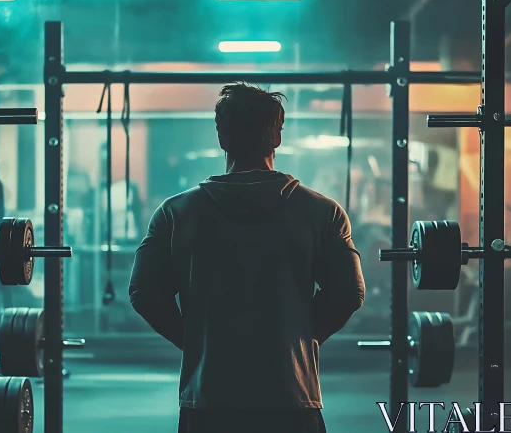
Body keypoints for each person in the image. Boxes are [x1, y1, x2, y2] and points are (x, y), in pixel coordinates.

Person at [129, 82, 365, 433]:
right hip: (291, 397)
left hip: (210, 399)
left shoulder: (176, 213)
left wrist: (199, 341)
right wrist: (296, 337)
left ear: (221, 137)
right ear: (277, 137)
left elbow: (143, 293)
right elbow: (350, 293)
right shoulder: (323, 212)